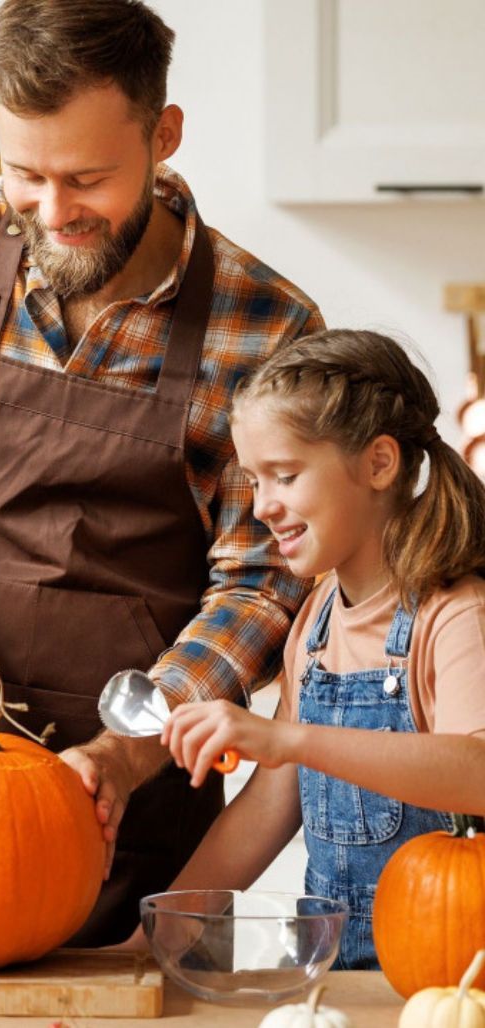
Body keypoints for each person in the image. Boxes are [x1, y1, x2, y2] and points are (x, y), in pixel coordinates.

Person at [0, 0, 325, 945]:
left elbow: (260, 585)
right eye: (24, 174)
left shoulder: (268, 326)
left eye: (87, 177)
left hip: (135, 792)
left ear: (163, 136)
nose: (53, 213)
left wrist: (127, 755)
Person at [154, 328, 485, 969]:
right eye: (255, 480)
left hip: (449, 990)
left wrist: (289, 740)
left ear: (379, 464)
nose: (264, 506)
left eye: (285, 476)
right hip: (338, 981)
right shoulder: (317, 622)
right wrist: (163, 930)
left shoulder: (455, 614)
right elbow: (268, 807)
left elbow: (476, 771)